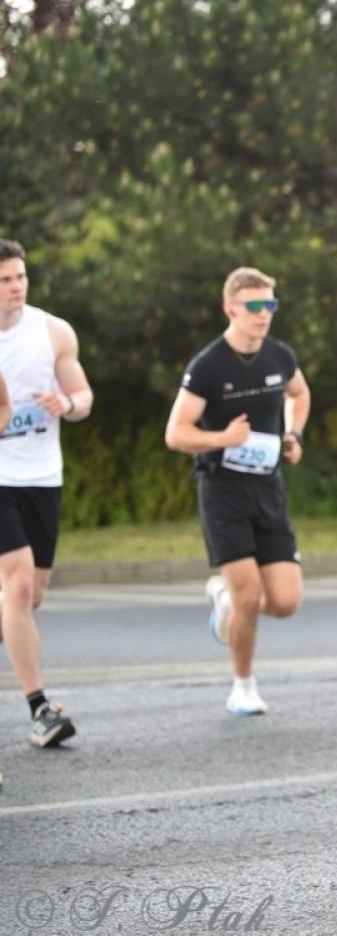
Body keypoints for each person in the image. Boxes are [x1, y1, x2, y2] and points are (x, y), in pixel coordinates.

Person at [164, 267, 310, 717]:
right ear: (230, 308)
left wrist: (293, 435)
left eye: (270, 305)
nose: (263, 314)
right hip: (222, 492)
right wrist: (222, 439)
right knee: (249, 597)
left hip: (268, 489)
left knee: (284, 602)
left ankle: (225, 598)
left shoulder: (279, 356)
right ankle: (242, 686)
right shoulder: (207, 366)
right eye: (254, 306)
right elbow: (176, 433)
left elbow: (299, 394)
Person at [0, 238, 91, 752]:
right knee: (16, 586)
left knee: (30, 596)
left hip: (41, 477)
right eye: (5, 280)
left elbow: (83, 396)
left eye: (20, 277)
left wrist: (67, 404)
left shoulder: (53, 331)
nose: (16, 287)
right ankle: (40, 709)